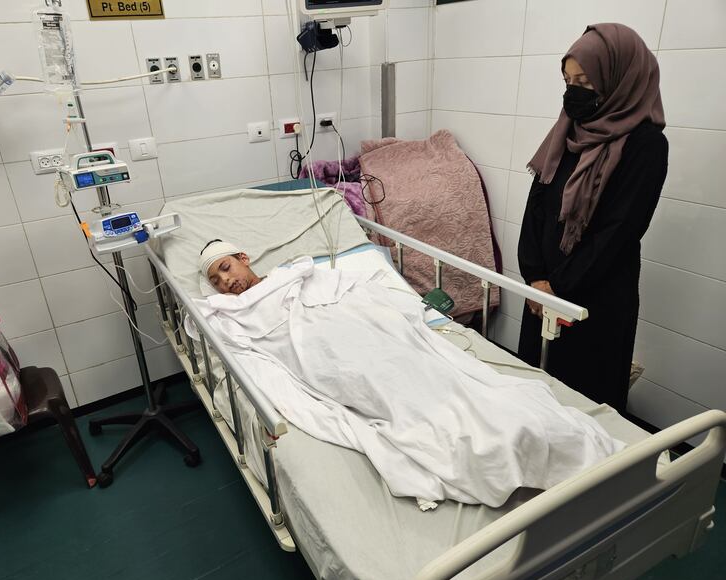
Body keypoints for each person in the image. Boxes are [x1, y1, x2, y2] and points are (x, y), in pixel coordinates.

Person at [195, 241, 623, 508]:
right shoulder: (229, 317)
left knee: (439, 374)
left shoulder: (299, 275)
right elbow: (259, 360)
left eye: (226, 268)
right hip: (326, 357)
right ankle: (494, 443)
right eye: (216, 281)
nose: (225, 283)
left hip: (365, 334)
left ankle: (533, 432)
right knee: (398, 399)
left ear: (243, 257)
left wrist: (400, 320)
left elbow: (362, 295)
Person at [517, 23, 668, 414]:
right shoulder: (568, 130)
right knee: (533, 395)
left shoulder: (646, 146)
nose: (573, 92)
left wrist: (559, 287)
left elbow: (620, 230)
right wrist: (534, 276)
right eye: (568, 80)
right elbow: (537, 199)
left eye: (584, 81)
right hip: (543, 292)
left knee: (586, 408)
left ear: (617, 78)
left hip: (595, 299)